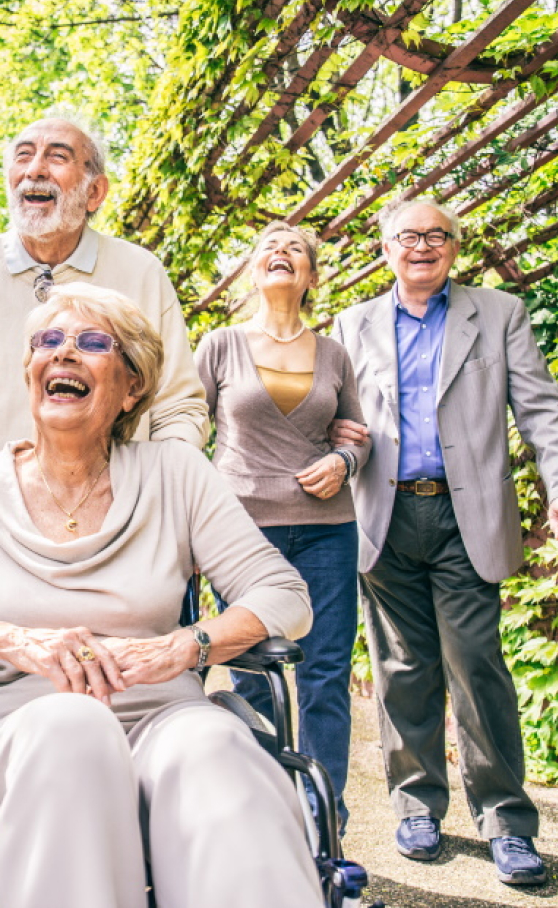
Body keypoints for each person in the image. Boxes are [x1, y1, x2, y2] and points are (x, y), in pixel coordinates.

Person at [0, 283, 323, 908]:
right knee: (75, 728)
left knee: (214, 745)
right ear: (29, 371)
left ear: (131, 386)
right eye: (48, 342)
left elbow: (283, 594)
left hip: (166, 718)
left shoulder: (177, 475)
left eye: (91, 344)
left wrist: (186, 648)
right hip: (22, 735)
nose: (64, 355)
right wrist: (16, 641)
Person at [330, 199, 558, 886]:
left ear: (454, 246)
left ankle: (506, 821)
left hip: (464, 515)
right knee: (401, 670)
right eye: (408, 236)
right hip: (384, 515)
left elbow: (540, 404)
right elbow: (337, 420)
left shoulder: (497, 312)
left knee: (477, 667)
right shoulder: (353, 323)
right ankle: (416, 805)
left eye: (436, 236)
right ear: (385, 247)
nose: (422, 246)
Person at [0, 115, 208, 516]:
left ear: (94, 192)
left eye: (57, 157)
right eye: (23, 156)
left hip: (116, 518)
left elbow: (177, 406)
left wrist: (168, 491)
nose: (34, 169)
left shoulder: (142, 272)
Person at [194, 219, 368, 828]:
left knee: (325, 671)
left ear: (311, 276)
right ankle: (262, 806)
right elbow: (187, 432)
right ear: (251, 271)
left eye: (295, 248)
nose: (281, 252)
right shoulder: (219, 345)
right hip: (242, 532)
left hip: (327, 530)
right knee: (253, 669)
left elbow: (358, 436)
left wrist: (344, 462)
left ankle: (323, 814)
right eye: (268, 245)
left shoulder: (335, 354)